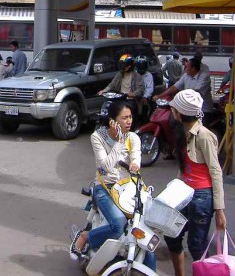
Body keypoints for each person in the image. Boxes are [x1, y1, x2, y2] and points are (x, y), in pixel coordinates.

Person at [70, 102, 155, 271]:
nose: (129, 121)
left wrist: (135, 164)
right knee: (118, 224)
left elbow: (136, 157)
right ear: (112, 121)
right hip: (105, 187)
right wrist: (118, 142)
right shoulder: (98, 137)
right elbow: (106, 166)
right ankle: (87, 236)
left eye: (130, 117)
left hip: (129, 188)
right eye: (124, 118)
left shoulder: (133, 138)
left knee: (146, 233)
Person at [165, 90, 226, 276]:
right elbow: (184, 169)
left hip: (202, 197)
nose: (172, 111)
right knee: (171, 234)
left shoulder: (204, 135)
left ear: (180, 112)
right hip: (184, 194)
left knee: (196, 246)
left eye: (174, 108)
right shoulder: (182, 131)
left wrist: (219, 210)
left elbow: (216, 171)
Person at [155, 58, 215, 125]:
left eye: (187, 66)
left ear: (193, 68)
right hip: (188, 108)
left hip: (203, 109)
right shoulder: (186, 75)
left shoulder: (204, 77)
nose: (185, 68)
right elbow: (174, 87)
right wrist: (159, 96)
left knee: (199, 130)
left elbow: (195, 92)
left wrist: (178, 98)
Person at [135, 55, 154, 122]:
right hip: (133, 96)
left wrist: (145, 97)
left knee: (144, 109)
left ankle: (144, 121)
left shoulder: (148, 75)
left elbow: (150, 88)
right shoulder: (133, 74)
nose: (141, 67)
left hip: (144, 97)